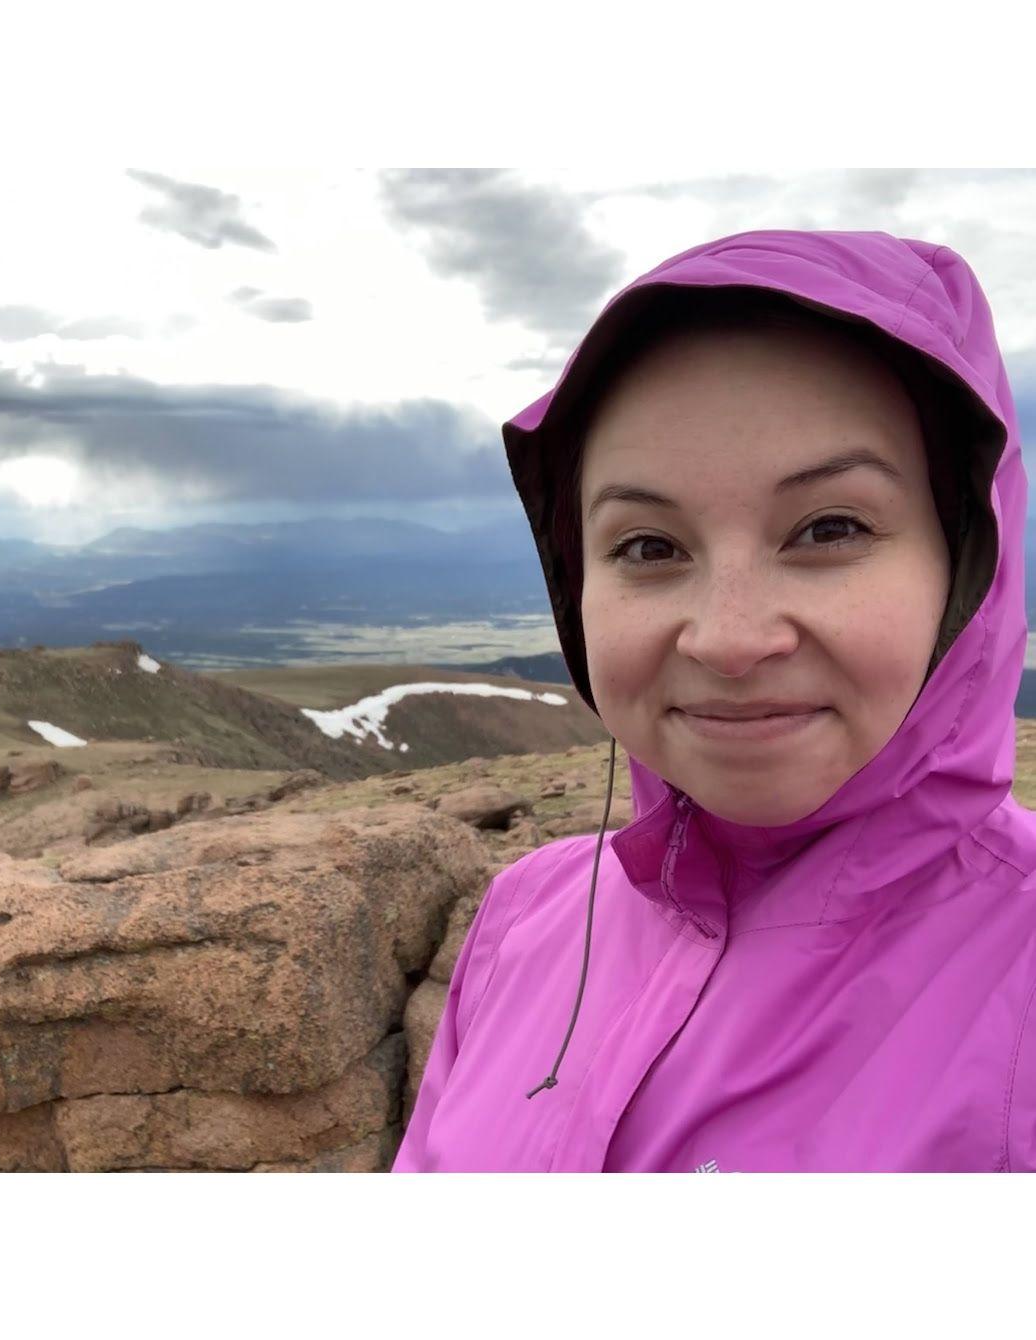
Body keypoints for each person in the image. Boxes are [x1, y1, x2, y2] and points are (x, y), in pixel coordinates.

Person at [393, 228, 1036, 1172]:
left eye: (829, 528)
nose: (730, 641)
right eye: (648, 546)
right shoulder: (528, 916)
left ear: (967, 562)